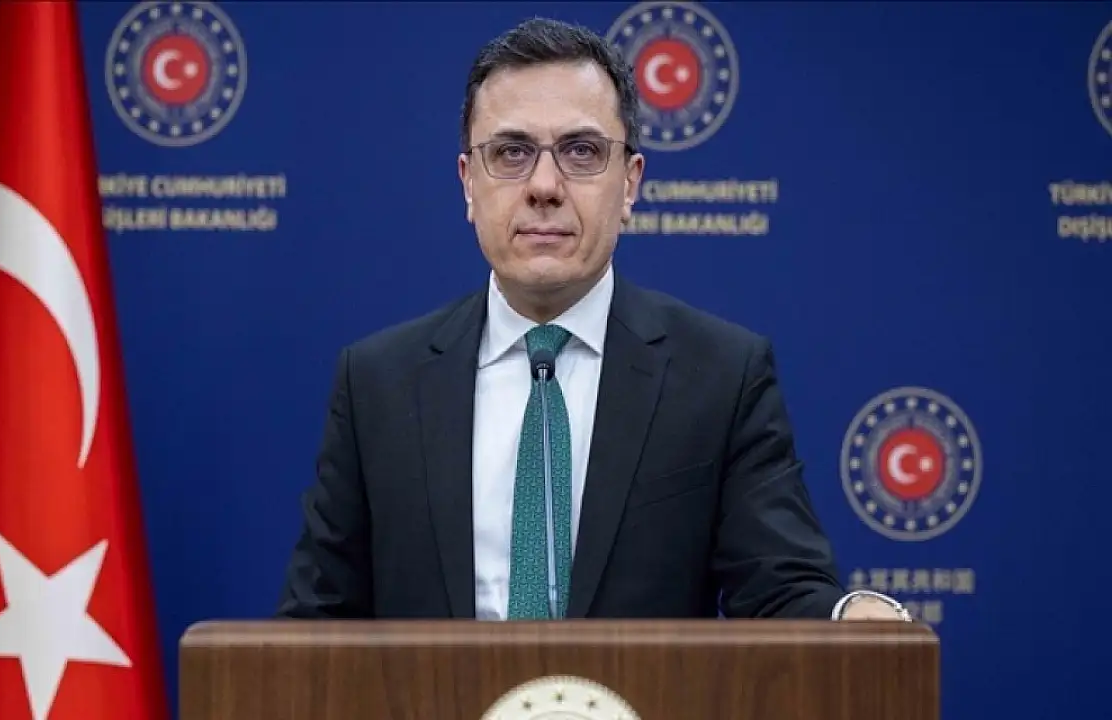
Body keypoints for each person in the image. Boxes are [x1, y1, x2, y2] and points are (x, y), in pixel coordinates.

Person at [275, 16, 908, 622]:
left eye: (580, 151)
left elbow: (781, 590)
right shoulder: (379, 383)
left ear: (630, 183)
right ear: (468, 183)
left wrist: (850, 617)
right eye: (511, 152)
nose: (544, 186)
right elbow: (317, 620)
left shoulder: (720, 376)